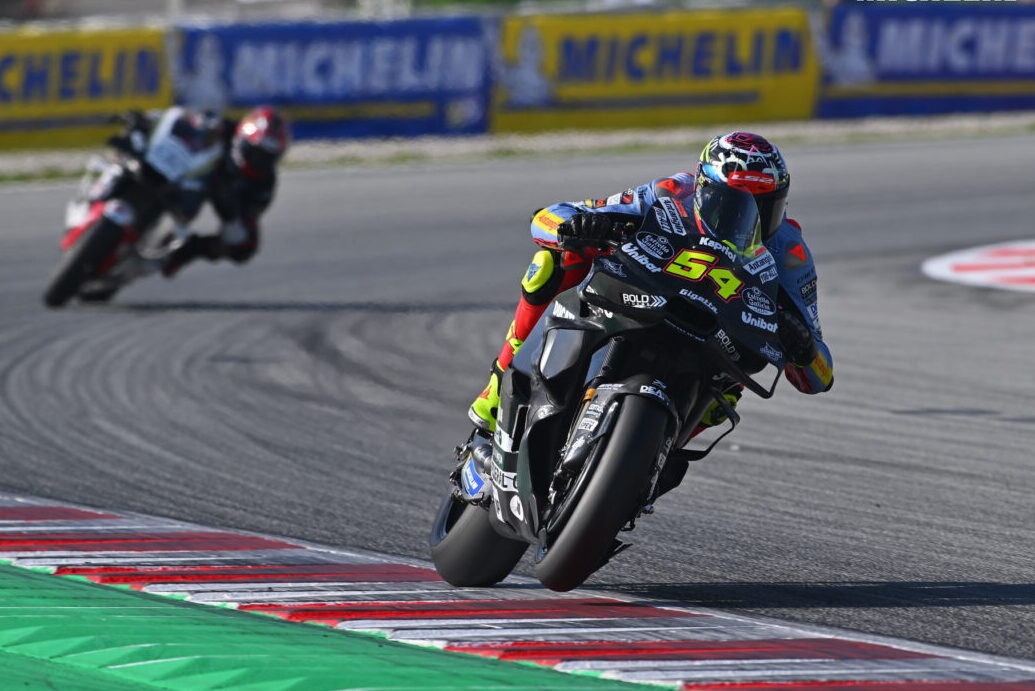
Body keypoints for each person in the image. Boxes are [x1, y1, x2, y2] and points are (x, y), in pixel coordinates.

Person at [468, 131, 833, 438]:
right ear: (704, 188)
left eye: (764, 206)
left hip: (714, 341)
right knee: (551, 262)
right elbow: (548, 216)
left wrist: (803, 349)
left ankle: (662, 459)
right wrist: (575, 228)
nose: (748, 218)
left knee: (735, 386)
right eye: (732, 203)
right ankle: (498, 385)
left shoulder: (790, 252)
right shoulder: (671, 192)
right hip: (642, 298)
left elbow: (819, 376)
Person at [160, 106, 290, 277]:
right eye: (255, 151)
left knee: (245, 246)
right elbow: (183, 121)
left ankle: (186, 251)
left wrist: (232, 212)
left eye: (266, 157)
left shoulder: (264, 185)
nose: (258, 159)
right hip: (188, 173)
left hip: (223, 200)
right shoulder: (222, 128)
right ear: (243, 136)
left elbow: (248, 219)